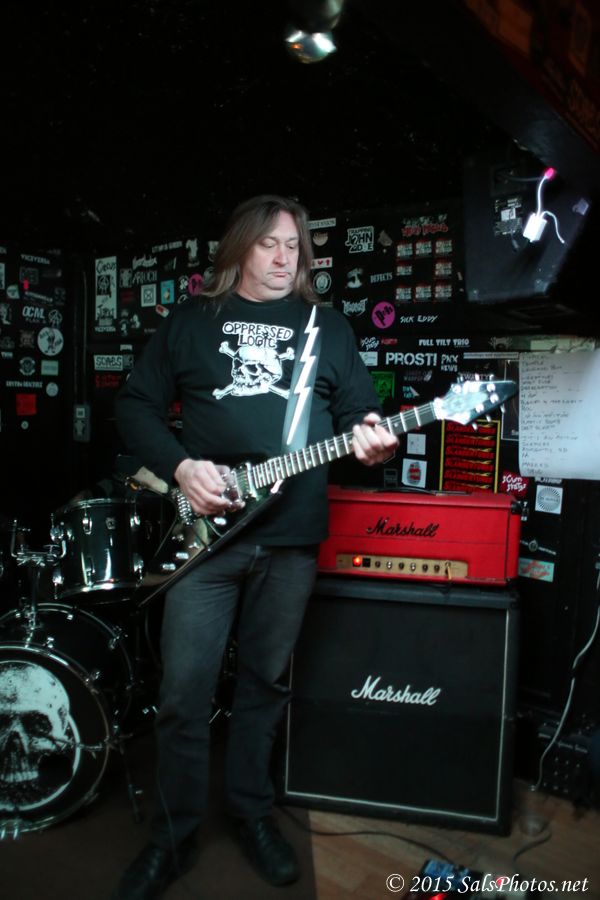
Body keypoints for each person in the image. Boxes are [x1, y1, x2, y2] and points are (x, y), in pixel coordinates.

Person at [111, 194, 398, 900]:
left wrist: (374, 439)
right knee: (184, 693)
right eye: (269, 243)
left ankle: (250, 812)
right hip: (206, 543)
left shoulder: (328, 329)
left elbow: (361, 414)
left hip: (292, 539)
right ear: (239, 247)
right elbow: (135, 406)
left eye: (293, 247)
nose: (281, 258)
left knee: (266, 684)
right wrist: (182, 467)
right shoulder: (191, 322)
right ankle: (173, 837)